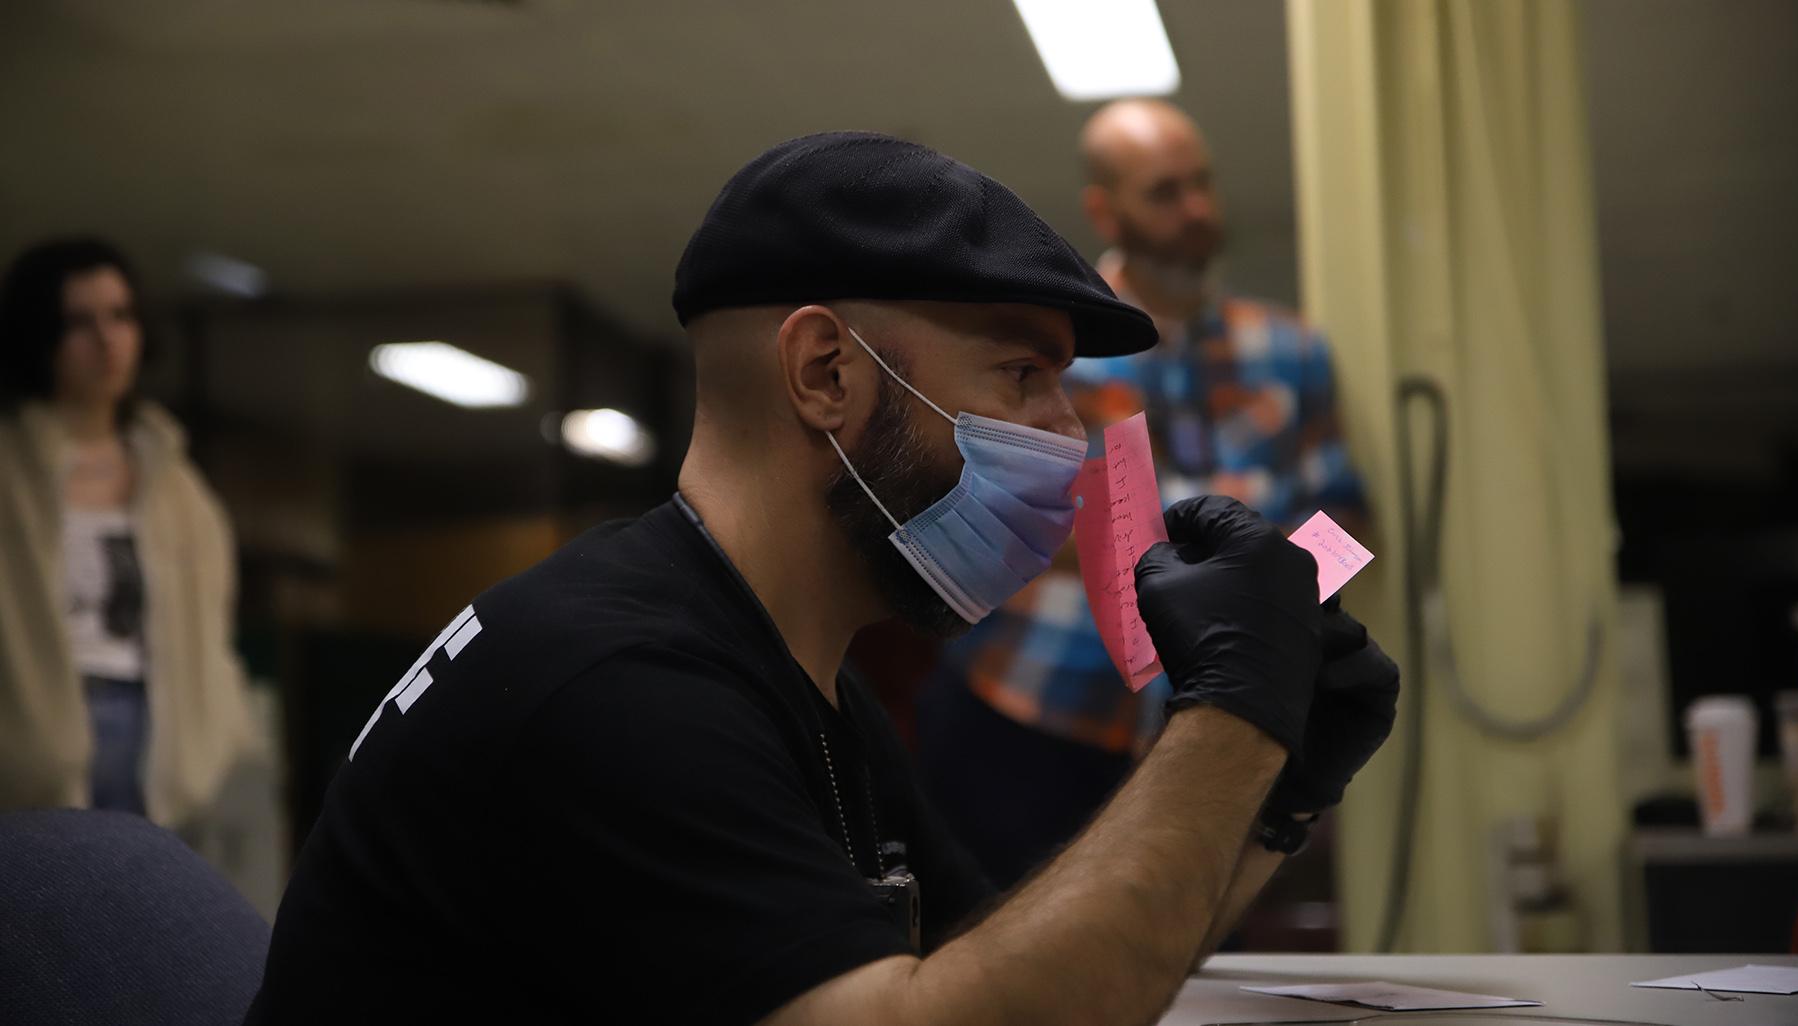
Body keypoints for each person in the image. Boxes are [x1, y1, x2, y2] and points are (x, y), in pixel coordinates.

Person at [247, 132, 1397, 1025]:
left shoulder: (803, 687)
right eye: (1021, 376)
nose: (1068, 436)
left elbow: (1022, 982)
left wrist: (1274, 794)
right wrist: (1228, 722)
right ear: (825, 372)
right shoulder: (614, 687)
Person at [918, 99, 1372, 887]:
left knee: (1179, 960)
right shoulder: (1041, 345)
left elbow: (1346, 509)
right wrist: (1170, 548)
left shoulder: (1290, 349)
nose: (1196, 210)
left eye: (1202, 184)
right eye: (1165, 192)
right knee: (995, 957)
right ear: (1106, 208)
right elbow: (972, 514)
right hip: (1034, 709)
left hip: (1212, 717)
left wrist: (1273, 604)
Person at [0, 236, 254, 825]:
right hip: (36, 738)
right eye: (79, 322)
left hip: (155, 730)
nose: (106, 341)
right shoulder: (13, 469)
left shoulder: (173, 480)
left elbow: (212, 624)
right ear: (42, 335)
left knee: (134, 901)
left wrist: (219, 735)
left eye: (120, 316)